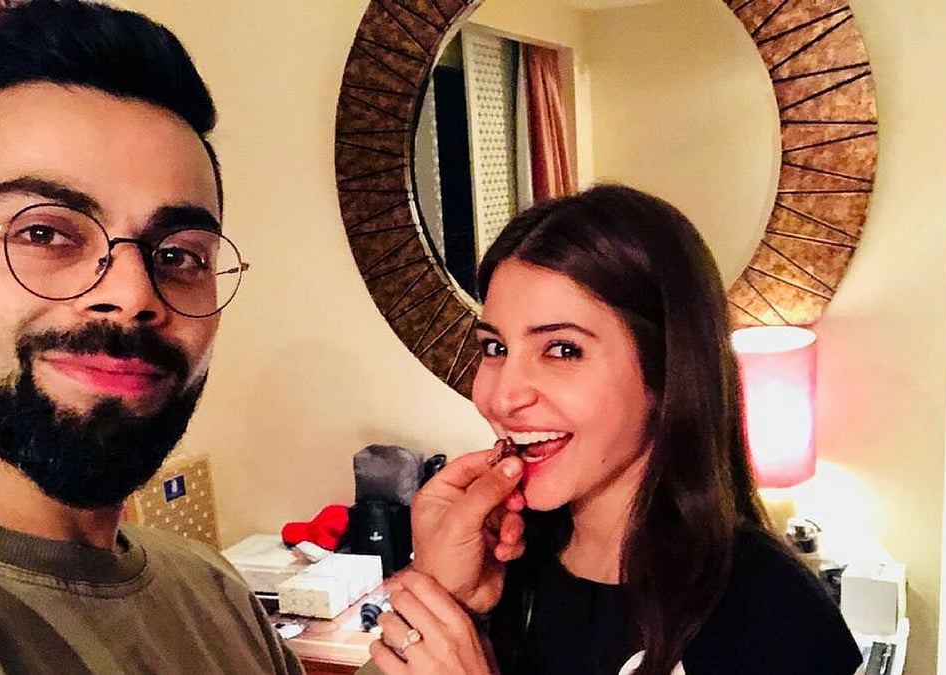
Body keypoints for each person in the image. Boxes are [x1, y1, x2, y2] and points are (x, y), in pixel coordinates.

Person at [0, 1, 302, 672]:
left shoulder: (216, 594)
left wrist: (440, 599)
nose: (134, 294)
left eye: (178, 254)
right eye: (44, 233)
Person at [365, 184, 862, 675]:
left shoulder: (775, 618)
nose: (501, 397)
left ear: (665, 370)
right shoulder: (508, 561)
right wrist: (445, 600)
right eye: (495, 348)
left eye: (562, 350)